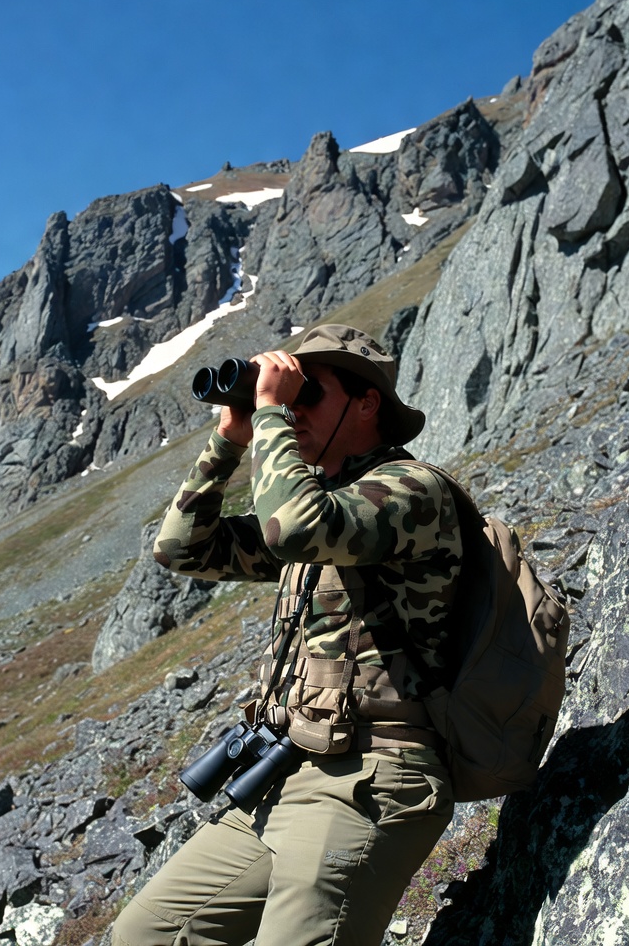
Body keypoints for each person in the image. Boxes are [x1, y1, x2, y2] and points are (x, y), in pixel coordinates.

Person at [111, 324, 462, 946]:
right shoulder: (318, 502)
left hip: (371, 775)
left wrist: (272, 412)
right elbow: (180, 548)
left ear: (367, 402)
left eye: (309, 396)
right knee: (145, 934)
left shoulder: (413, 492)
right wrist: (227, 440)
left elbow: (293, 529)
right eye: (287, 396)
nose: (293, 410)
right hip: (289, 765)